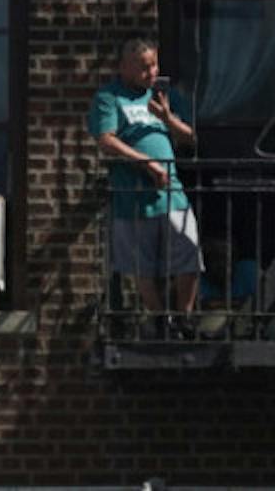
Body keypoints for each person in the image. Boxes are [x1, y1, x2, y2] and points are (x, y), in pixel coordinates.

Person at [88, 34, 201, 338]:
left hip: (172, 193)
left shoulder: (164, 95)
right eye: (143, 67)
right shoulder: (109, 97)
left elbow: (191, 137)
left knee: (188, 253)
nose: (151, 73)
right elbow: (107, 140)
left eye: (153, 65)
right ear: (123, 67)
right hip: (133, 197)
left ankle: (184, 319)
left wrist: (168, 118)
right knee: (142, 266)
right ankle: (160, 318)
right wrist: (146, 164)